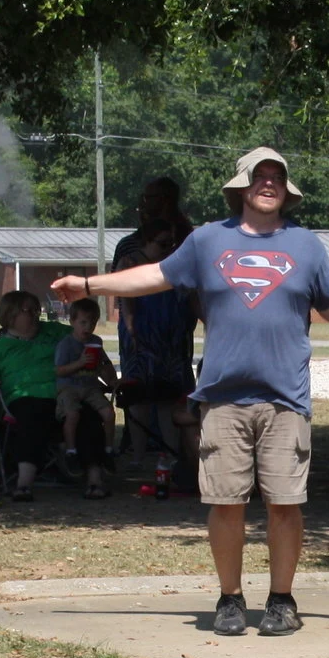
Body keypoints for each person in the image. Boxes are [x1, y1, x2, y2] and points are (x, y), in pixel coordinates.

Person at [56, 147, 329, 635]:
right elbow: (153, 276)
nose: (269, 183)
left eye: (278, 177)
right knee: (225, 501)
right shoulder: (208, 240)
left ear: (287, 189)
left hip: (285, 397)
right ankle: (230, 598)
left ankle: (282, 599)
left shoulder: (306, 245)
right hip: (223, 395)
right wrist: (90, 284)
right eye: (261, 176)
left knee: (284, 502)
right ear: (242, 186)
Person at [0, 289, 103, 500]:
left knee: (88, 414)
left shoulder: (54, 332)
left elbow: (84, 334)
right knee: (31, 415)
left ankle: (95, 482)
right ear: (10, 315)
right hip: (25, 398)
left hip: (65, 392)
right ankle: (24, 484)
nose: (34, 314)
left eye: (36, 309)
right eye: (27, 310)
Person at [109, 179, 199, 480]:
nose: (146, 205)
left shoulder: (187, 240)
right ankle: (138, 451)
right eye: (143, 199)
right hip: (142, 337)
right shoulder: (129, 249)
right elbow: (122, 296)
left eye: (153, 198)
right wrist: (134, 331)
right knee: (139, 395)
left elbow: (193, 294)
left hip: (174, 339)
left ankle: (175, 453)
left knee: (172, 395)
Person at [53, 295, 117, 496]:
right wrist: (80, 363)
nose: (87, 327)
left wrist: (110, 378)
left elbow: (103, 366)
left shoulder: (96, 342)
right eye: (83, 322)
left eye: (92, 322)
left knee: (108, 413)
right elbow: (59, 370)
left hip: (90, 386)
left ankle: (108, 450)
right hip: (69, 387)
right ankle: (71, 451)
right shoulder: (66, 344)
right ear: (72, 321)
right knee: (73, 414)